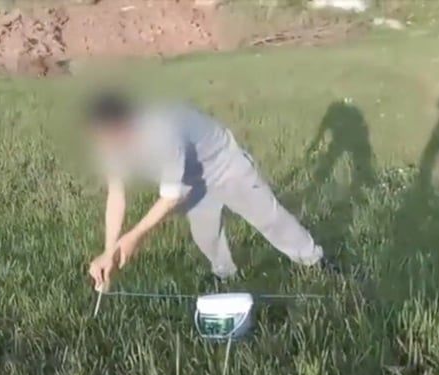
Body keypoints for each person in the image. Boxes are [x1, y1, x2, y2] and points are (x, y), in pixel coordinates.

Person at [84, 91, 336, 291]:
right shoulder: (108, 141)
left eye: (106, 135)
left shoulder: (160, 130)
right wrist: (109, 252)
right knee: (206, 236)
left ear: (123, 125)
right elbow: (116, 194)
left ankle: (314, 261)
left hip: (224, 163)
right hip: (192, 179)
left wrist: (133, 237)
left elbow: (172, 196)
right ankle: (225, 276)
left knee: (269, 218)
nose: (102, 143)